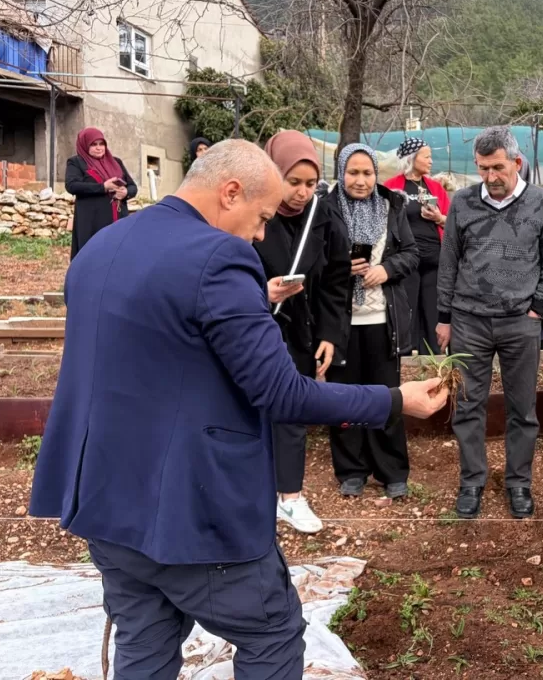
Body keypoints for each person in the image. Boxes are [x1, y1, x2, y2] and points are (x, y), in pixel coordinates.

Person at [28, 139, 447, 680]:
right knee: (272, 634)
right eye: (263, 217)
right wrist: (393, 399)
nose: (261, 234)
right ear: (230, 193)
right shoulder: (219, 258)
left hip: (104, 499)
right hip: (191, 510)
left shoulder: (102, 245)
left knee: (145, 641)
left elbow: (153, 350)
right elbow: (282, 393)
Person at [437, 126, 543, 520]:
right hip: (469, 321)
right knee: (468, 405)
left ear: (517, 162)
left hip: (519, 322)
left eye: (497, 168)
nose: (490, 177)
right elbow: (449, 261)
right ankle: (471, 481)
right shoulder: (462, 203)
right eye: (483, 168)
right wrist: (444, 317)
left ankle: (518, 483)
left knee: (522, 408)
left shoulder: (542, 203)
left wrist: (537, 309)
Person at [254, 130, 352, 533]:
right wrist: (262, 291)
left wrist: (330, 335)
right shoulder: (252, 211)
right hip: (252, 325)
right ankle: (248, 493)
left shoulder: (324, 217)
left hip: (301, 330)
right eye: (293, 182)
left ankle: (290, 496)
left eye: (311, 183)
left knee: (292, 408)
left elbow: (336, 282)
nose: (302, 192)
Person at [326, 143, 419, 499]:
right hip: (341, 323)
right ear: (341, 173)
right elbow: (315, 263)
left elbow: (411, 253)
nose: (361, 181)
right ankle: (351, 470)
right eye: (353, 173)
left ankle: (392, 470)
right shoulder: (326, 209)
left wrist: (386, 269)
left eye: (367, 173)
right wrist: (340, 267)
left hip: (383, 320)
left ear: (376, 174)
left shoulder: (392, 206)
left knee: (385, 397)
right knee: (344, 398)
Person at [385, 137, 451, 354]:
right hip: (407, 259)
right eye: (427, 156)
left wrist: (438, 217)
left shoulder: (435, 188)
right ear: (411, 158)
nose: (431, 161)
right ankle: (405, 352)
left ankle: (433, 355)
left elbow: (452, 221)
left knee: (433, 307)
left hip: (434, 258)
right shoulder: (392, 187)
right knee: (407, 304)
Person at [66, 127, 137, 260]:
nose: (99, 148)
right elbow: (72, 186)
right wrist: (103, 187)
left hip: (118, 219)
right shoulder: (76, 162)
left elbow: (133, 186)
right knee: (93, 256)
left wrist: (126, 192)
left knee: (118, 256)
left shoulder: (116, 162)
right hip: (92, 221)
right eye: (93, 144)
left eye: (101, 144)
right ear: (84, 145)